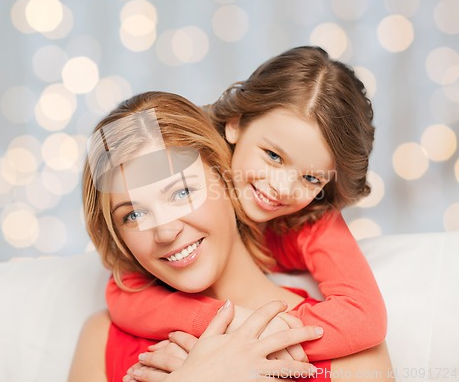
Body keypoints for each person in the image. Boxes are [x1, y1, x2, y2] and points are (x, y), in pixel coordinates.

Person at [69, 91, 394, 382]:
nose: (165, 231)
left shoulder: (350, 351)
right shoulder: (101, 337)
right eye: (134, 215)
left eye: (182, 192)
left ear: (226, 178)